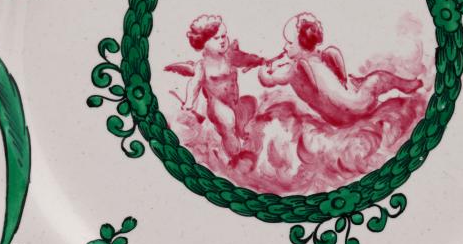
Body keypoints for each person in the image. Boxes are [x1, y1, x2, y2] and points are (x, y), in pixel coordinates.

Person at [258, 13, 422, 127]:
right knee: (378, 78)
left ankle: (360, 85)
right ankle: (405, 85)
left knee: (352, 81)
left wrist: (265, 70)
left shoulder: (296, 69)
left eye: (289, 43)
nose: (285, 47)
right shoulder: (305, 65)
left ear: (301, 44)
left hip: (338, 120)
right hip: (357, 107)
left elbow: (268, 80)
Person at [165, 15, 264, 163]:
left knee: (250, 103)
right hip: (217, 105)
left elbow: (245, 58)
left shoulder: (230, 56)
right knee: (228, 123)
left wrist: (258, 61)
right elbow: (194, 84)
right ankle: (235, 158)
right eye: (217, 38)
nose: (222, 40)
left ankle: (240, 130)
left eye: (224, 36)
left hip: (234, 102)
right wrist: (189, 102)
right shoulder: (202, 66)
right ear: (203, 42)